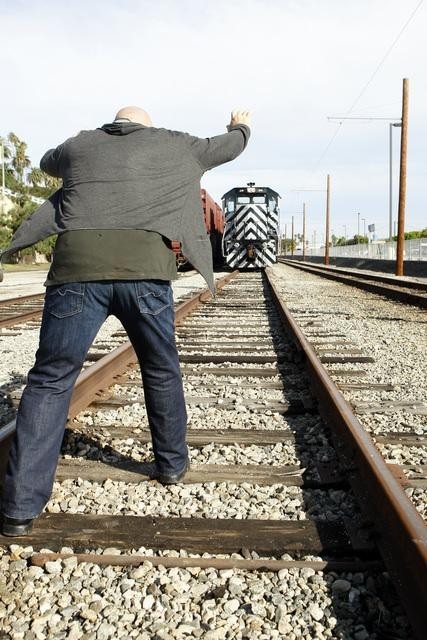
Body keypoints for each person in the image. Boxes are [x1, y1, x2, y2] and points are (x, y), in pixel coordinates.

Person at [1, 106, 251, 537]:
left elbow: (45, 162)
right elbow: (229, 148)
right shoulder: (175, 144)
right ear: (146, 127)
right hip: (146, 276)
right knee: (160, 367)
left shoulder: (80, 144)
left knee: (50, 379)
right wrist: (240, 125)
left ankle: (18, 509)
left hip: (76, 273)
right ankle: (171, 465)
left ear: (113, 125)